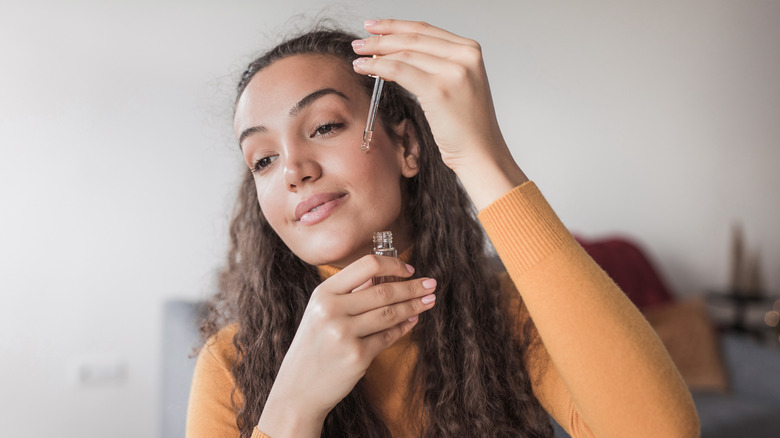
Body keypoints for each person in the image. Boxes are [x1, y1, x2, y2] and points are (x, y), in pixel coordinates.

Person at [186, 19, 699, 438]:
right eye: (263, 160)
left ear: (407, 147)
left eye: (324, 127)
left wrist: (482, 155)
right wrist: (293, 410)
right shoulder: (232, 363)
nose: (294, 169)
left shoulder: (505, 315)